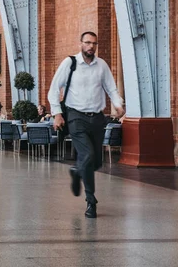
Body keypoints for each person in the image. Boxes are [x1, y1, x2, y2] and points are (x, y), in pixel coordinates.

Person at [48, 31, 124, 219]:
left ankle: (77, 170)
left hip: (97, 118)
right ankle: (91, 202)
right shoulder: (70, 63)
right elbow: (53, 89)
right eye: (87, 43)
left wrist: (118, 103)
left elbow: (111, 88)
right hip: (76, 117)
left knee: (96, 162)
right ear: (80, 44)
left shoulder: (102, 66)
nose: (91, 46)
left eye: (94, 44)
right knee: (87, 155)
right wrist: (57, 114)